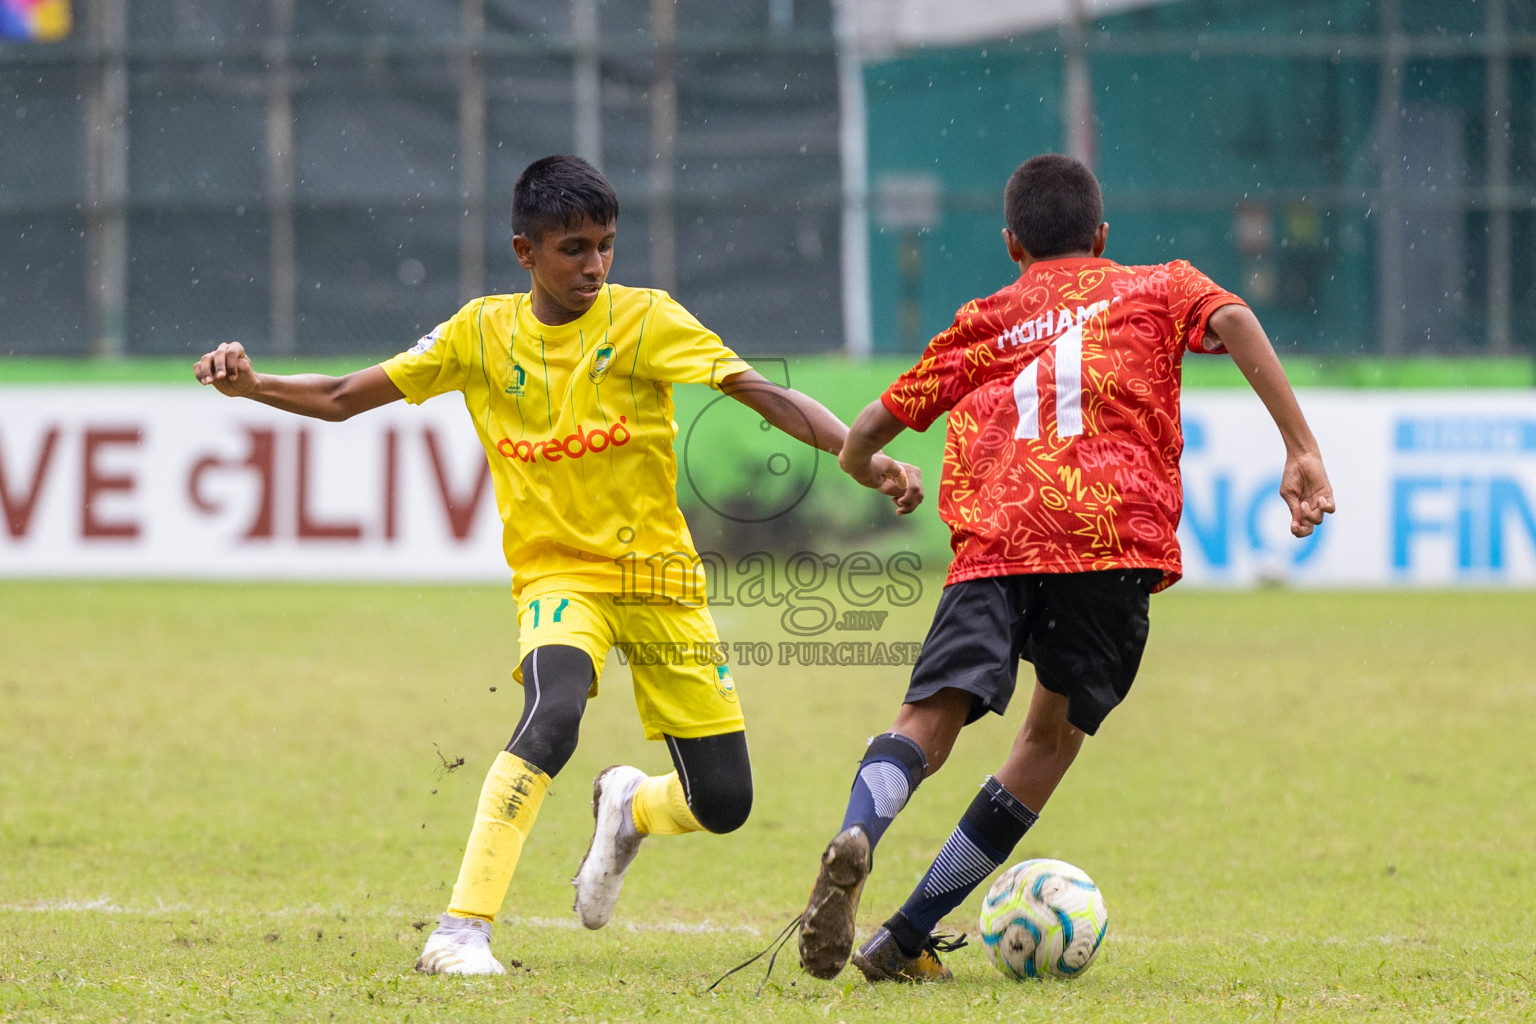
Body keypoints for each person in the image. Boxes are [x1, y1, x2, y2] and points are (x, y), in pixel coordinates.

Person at [193, 154, 922, 976]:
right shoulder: (479, 334)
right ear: (524, 252)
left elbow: (763, 394)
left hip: (660, 582)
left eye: (606, 245)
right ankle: (460, 931)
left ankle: (630, 807)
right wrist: (254, 387)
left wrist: (861, 455)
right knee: (554, 714)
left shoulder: (645, 319)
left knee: (723, 803)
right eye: (574, 248)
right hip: (557, 579)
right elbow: (339, 397)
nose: (595, 266)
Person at [797, 153, 1335, 983]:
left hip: (997, 535)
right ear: (1104, 234)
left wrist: (877, 471)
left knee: (926, 723)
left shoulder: (984, 318)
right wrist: (1300, 447)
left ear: (1012, 244)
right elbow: (1233, 320)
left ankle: (862, 827)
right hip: (1111, 538)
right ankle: (904, 936)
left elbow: (868, 429)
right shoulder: (1159, 284)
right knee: (1047, 741)